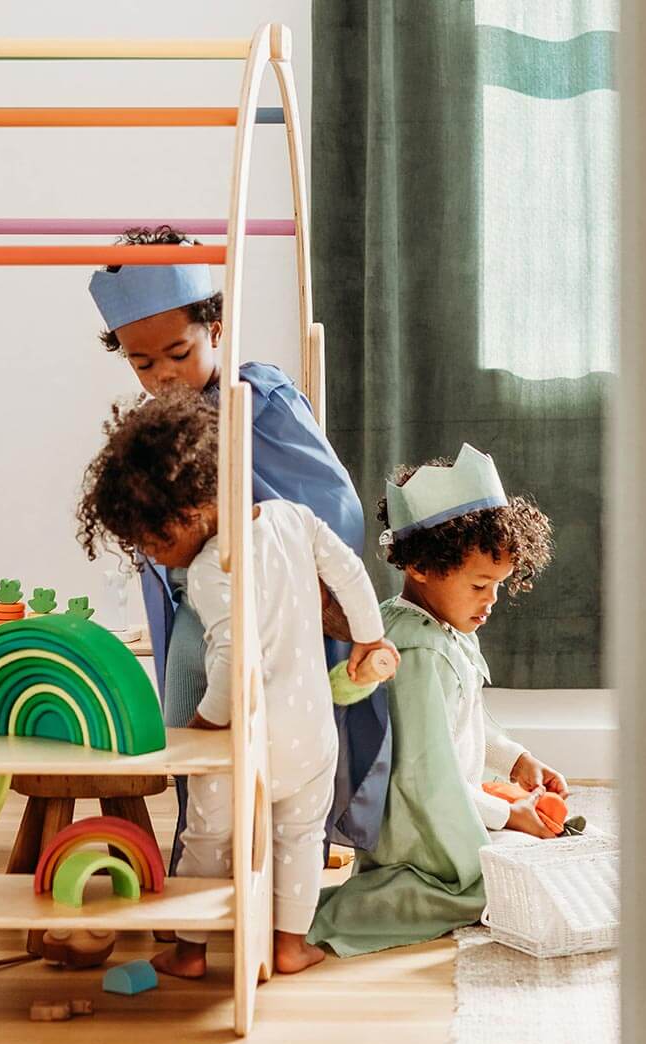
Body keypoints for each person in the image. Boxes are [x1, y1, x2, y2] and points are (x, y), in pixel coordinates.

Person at [88, 226, 391, 866]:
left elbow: (329, 500)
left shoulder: (257, 398)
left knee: (267, 727)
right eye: (143, 364)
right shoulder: (157, 426)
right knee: (189, 727)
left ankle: (277, 849)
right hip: (192, 603)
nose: (164, 375)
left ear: (216, 330)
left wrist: (283, 551)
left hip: (259, 601)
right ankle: (202, 847)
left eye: (178, 353)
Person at [76, 390, 398, 976]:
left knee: (208, 838)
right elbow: (350, 574)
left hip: (243, 738)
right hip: (310, 731)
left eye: (157, 542)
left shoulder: (210, 569)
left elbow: (232, 656)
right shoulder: (294, 519)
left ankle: (191, 949)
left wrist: (207, 723)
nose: (157, 558)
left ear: (198, 508)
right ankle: (289, 946)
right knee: (300, 836)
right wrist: (369, 639)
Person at [307, 445, 564, 957]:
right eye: (480, 585)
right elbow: (428, 774)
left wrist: (515, 760)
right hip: (422, 826)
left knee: (546, 846)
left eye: (499, 585)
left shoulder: (436, 627)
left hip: (443, 807)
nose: (491, 600)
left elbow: (467, 715)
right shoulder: (421, 650)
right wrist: (506, 815)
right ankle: (362, 907)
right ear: (422, 565)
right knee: (510, 882)